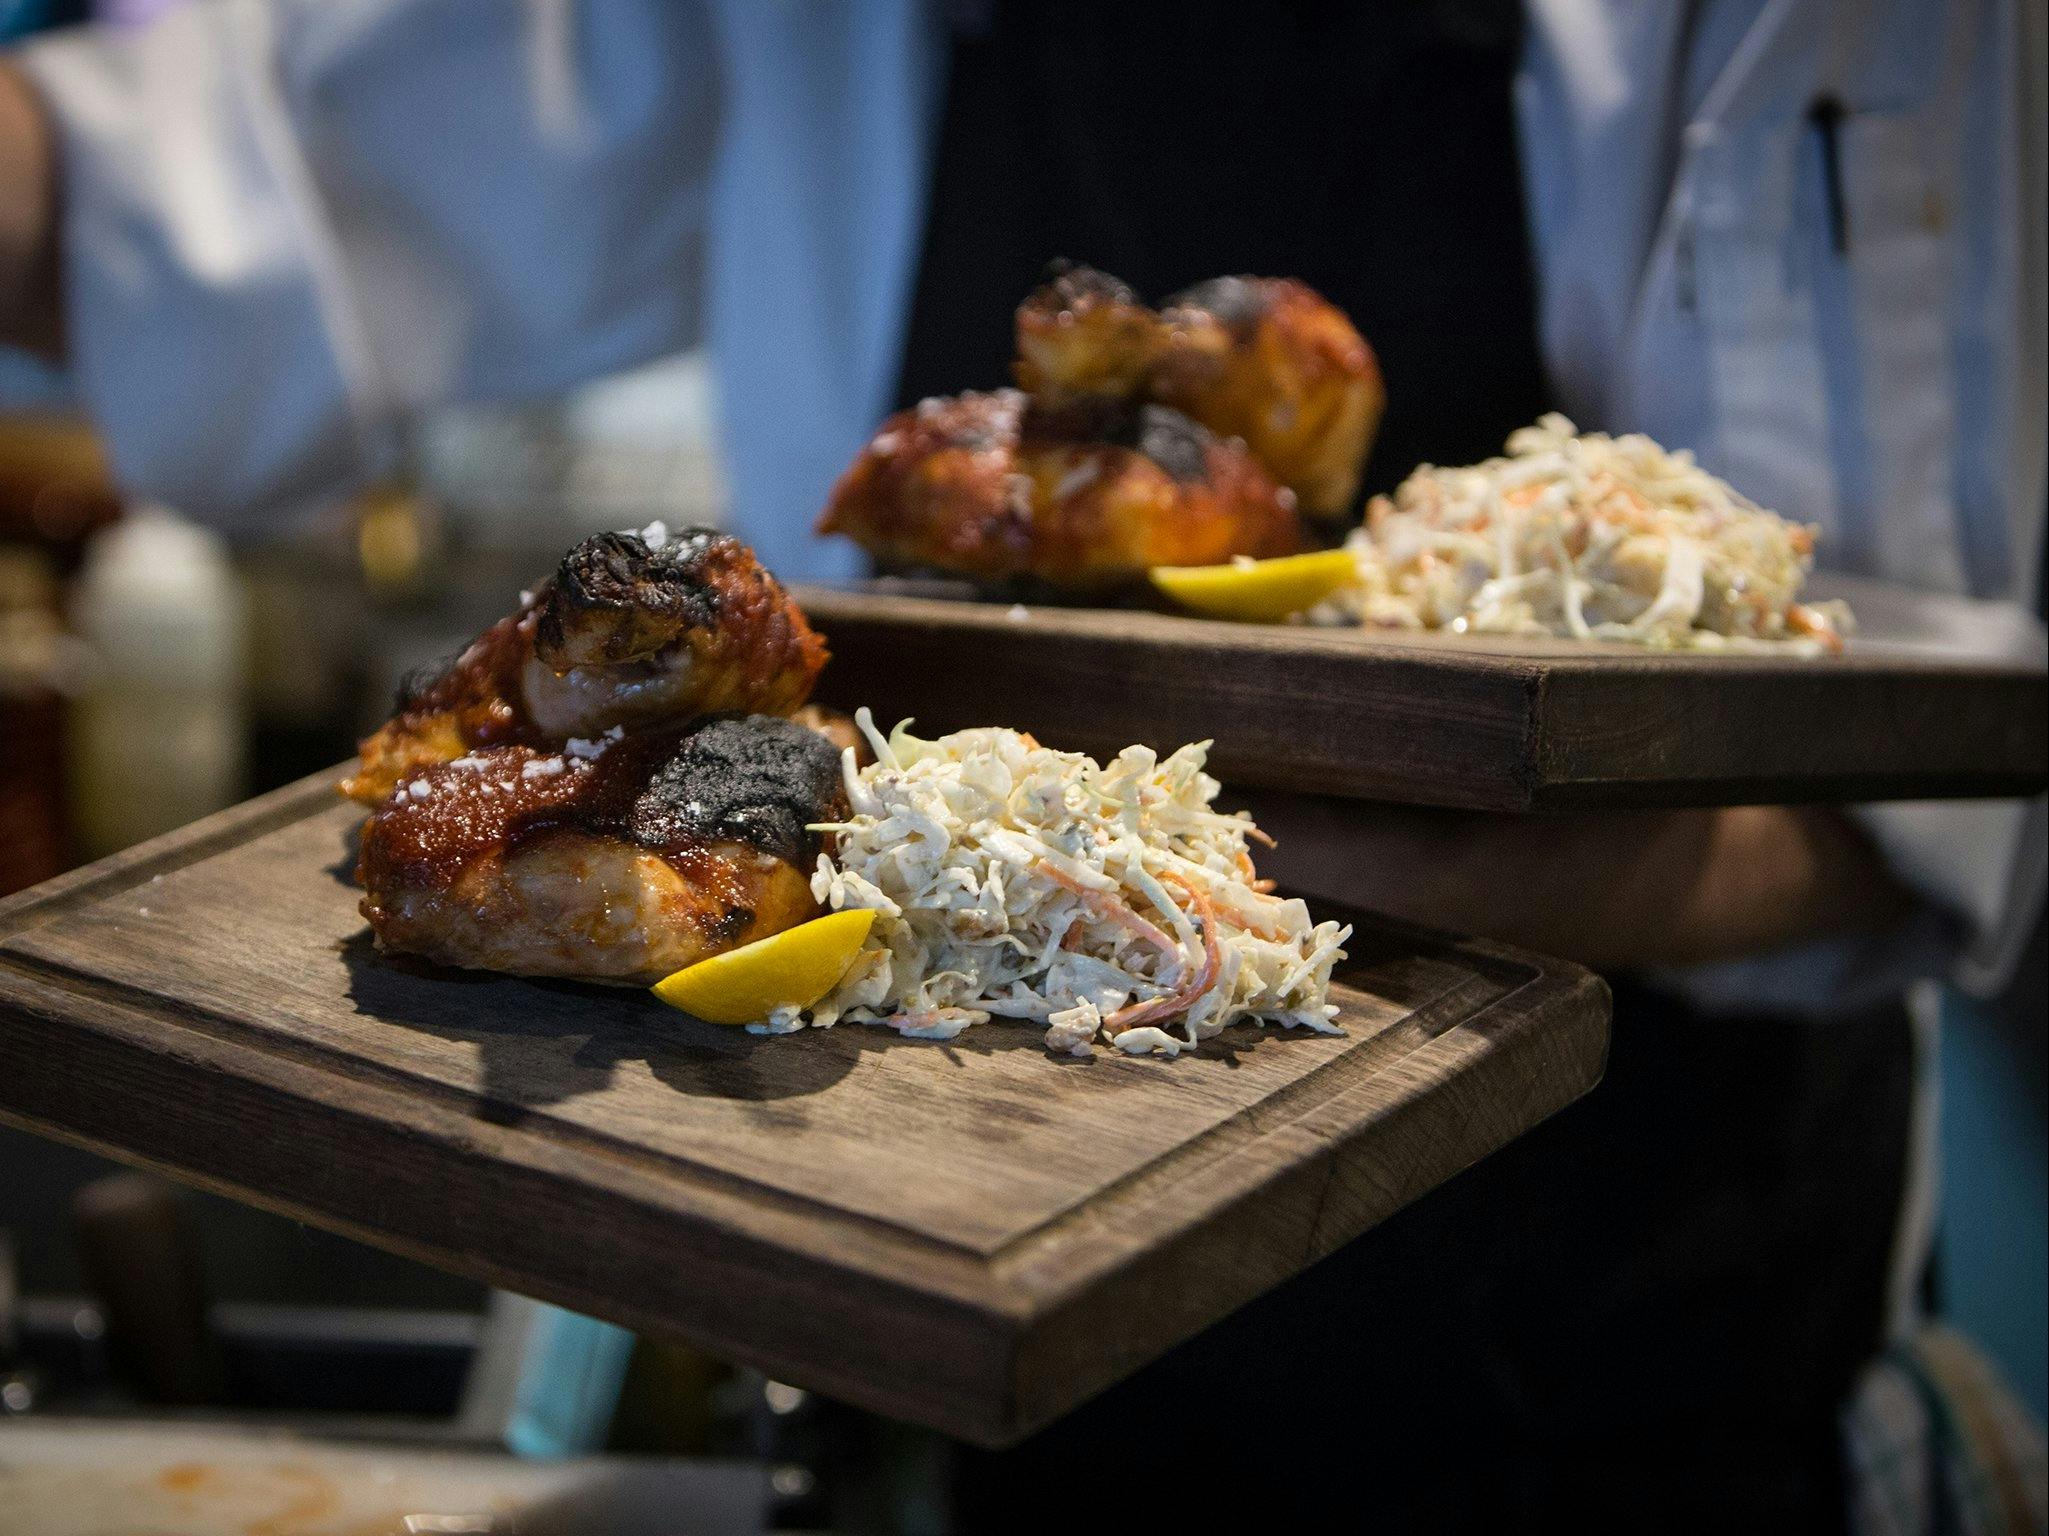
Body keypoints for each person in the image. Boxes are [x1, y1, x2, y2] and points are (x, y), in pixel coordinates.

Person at [1, 2, 2041, 1527]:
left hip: (1621, 1311)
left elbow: (1915, 753)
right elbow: (267, 169)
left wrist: (1364, 866)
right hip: (929, 1205)